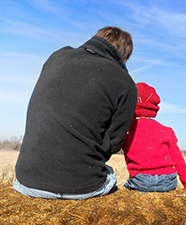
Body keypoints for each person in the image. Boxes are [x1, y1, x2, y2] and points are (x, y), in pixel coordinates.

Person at [13, 26, 137, 200]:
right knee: (110, 174)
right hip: (81, 186)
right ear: (124, 58)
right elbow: (113, 143)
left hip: (25, 182)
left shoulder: (57, 56)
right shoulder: (126, 84)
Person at [122, 82, 186, 192]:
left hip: (141, 181)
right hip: (169, 181)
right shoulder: (167, 130)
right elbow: (177, 158)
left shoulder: (127, 130)